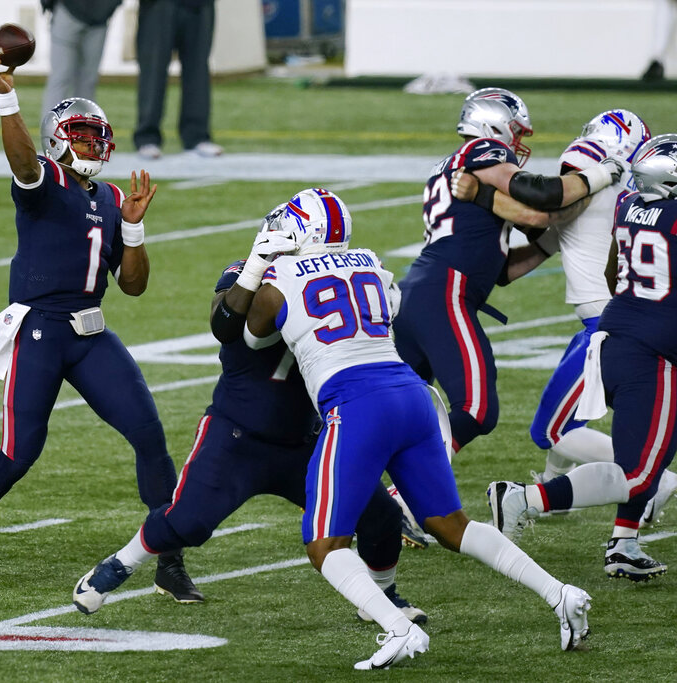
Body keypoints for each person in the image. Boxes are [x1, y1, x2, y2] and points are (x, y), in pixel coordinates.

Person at [242, 188, 591, 669]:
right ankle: (559, 593)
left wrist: (257, 267)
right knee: (451, 525)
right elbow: (390, 308)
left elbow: (252, 334)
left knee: (324, 543)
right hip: (412, 397)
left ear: (304, 231)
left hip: (356, 405)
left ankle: (397, 626)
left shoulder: (279, 276)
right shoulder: (372, 263)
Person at [71, 205, 425, 625]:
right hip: (238, 434)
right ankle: (119, 564)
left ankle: (384, 598)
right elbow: (224, 327)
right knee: (189, 522)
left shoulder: (343, 281)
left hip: (308, 438)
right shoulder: (252, 272)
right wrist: (257, 264)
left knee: (380, 516)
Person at [0, 46, 199, 601]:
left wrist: (133, 229)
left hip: (89, 331)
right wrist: (5, 93)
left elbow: (133, 285)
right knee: (19, 452)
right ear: (59, 138)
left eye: (95, 136)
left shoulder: (109, 197)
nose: (91, 146)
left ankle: (168, 559)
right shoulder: (44, 180)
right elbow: (22, 162)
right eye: (80, 136)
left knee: (149, 435)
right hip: (40, 329)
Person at [453, 110, 677, 525]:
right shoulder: (625, 198)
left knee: (552, 430)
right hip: (622, 322)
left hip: (610, 326)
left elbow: (542, 202)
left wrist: (480, 195)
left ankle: (654, 479)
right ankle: (569, 480)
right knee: (567, 419)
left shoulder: (595, 167)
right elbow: (546, 234)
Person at [393, 87, 623, 458]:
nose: (516, 143)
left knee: (396, 412)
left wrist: (549, 241)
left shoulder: (449, 166)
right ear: (495, 124)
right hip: (445, 292)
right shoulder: (481, 150)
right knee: (477, 409)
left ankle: (365, 498)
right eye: (515, 131)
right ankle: (405, 498)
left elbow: (505, 267)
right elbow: (542, 196)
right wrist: (602, 173)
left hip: (421, 292)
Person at [133, 0, 222, 160]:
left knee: (198, 69)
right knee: (153, 69)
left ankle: (197, 136)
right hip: (158, 6)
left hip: (200, 6)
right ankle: (147, 137)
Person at [39, 0, 123, 116]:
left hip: (85, 14)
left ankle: (55, 131)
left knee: (66, 80)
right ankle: (60, 130)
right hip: (92, 14)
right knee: (79, 81)